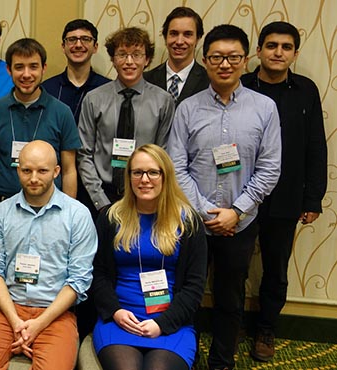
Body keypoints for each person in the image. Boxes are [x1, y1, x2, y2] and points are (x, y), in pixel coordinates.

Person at [167, 24, 282, 370]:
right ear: (205, 60)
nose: (225, 64)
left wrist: (236, 211)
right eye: (217, 57)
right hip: (192, 224)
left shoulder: (265, 108)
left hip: (240, 224)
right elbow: (176, 165)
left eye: (233, 57)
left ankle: (221, 362)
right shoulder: (187, 108)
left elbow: (270, 167)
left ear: (245, 60)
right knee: (183, 294)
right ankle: (175, 357)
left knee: (230, 299)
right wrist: (205, 211)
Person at [0, 140, 97, 370]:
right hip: (9, 311)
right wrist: (17, 322)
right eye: (26, 170)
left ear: (56, 172)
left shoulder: (78, 215)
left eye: (42, 171)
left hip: (55, 314)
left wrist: (37, 325)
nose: (34, 178)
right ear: (18, 170)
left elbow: (79, 282)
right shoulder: (2, 213)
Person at [241, 21, 327, 362]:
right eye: (272, 45)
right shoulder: (242, 85)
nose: (278, 52)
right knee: (233, 266)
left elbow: (315, 147)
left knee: (276, 269)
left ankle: (266, 329)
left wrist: (313, 198)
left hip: (287, 196)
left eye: (286, 47)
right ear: (258, 50)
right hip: (242, 195)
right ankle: (229, 325)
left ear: (295, 53)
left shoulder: (306, 90)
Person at [91, 144, 207, 370]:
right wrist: (115, 312)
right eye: (137, 172)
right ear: (129, 177)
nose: (144, 179)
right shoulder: (111, 218)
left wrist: (162, 324)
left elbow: (195, 286)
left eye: (153, 172)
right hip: (120, 320)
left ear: (166, 176)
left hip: (172, 322)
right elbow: (99, 274)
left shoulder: (189, 222)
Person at [0, 38, 80, 231]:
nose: (26, 74)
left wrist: (69, 214)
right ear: (9, 70)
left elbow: (69, 170)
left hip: (51, 212)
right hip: (2, 209)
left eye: (33, 67)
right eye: (19, 67)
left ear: (44, 68)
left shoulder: (62, 112)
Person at [78, 27, 175, 216]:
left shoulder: (163, 101)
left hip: (145, 195)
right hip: (102, 195)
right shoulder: (93, 99)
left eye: (137, 55)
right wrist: (101, 203)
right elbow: (84, 154)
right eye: (122, 54)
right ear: (113, 60)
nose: (129, 61)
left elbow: (163, 154)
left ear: (147, 60)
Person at [42, 19, 111, 122]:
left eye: (85, 39)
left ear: (95, 47)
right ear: (63, 47)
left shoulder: (108, 89)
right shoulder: (46, 89)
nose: (78, 45)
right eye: (72, 39)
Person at [144, 6, 209, 105]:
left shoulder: (209, 82)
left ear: (198, 39)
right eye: (174, 34)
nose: (179, 41)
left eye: (187, 34)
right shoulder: (145, 80)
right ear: (165, 37)